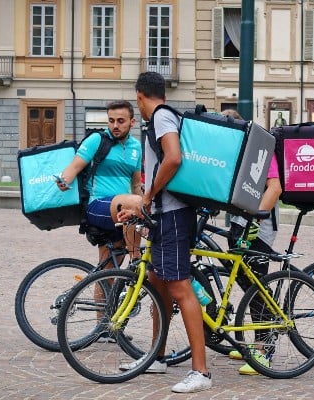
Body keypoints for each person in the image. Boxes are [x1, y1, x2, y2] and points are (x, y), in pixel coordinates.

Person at [118, 71, 212, 393]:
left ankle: (201, 371)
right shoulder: (161, 116)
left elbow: (173, 158)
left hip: (173, 216)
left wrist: (149, 195)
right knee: (158, 286)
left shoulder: (160, 117)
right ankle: (156, 358)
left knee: (180, 289)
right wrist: (144, 206)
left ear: (140, 97)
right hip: (164, 215)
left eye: (137, 101)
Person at [223, 109, 283, 375]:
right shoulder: (235, 150)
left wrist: (255, 222)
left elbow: (275, 187)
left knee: (258, 285)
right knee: (246, 281)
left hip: (259, 227)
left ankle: (265, 350)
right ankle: (256, 340)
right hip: (240, 223)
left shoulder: (259, 147)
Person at [56, 100, 143, 262]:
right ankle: (136, 261)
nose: (115, 125)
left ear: (132, 122)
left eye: (121, 121)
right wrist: (64, 180)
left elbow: (136, 184)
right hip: (97, 205)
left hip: (122, 213)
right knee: (134, 203)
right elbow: (74, 167)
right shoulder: (97, 139)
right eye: (111, 121)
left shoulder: (136, 147)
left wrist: (146, 204)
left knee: (107, 277)